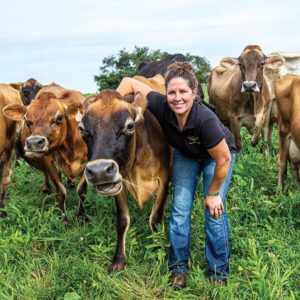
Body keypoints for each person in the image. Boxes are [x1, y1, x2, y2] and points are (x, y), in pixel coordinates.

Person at [116, 62, 237, 289]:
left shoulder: (205, 120)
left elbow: (223, 160)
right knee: (180, 210)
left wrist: (213, 194)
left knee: (214, 212)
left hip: (216, 158)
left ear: (194, 92)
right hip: (186, 154)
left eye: (183, 92)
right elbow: (130, 82)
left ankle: (219, 272)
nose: (177, 98)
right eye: (171, 92)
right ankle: (178, 269)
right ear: (166, 94)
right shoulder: (162, 105)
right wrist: (113, 100)